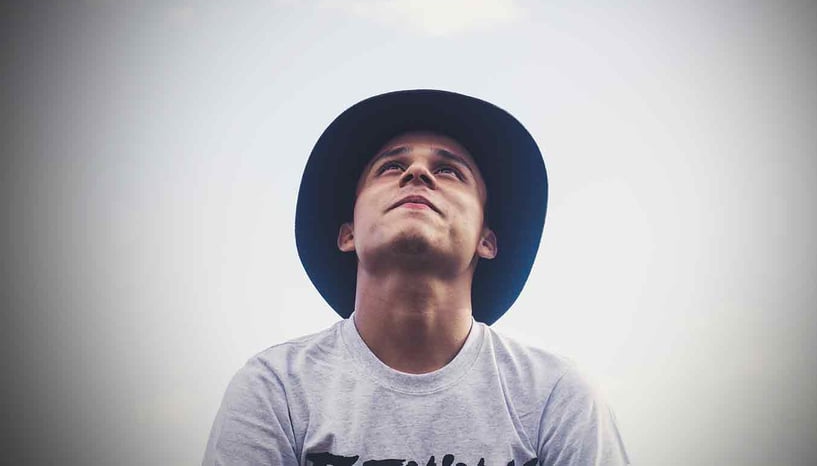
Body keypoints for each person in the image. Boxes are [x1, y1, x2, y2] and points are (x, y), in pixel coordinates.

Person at [203, 90, 630, 465]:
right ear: (348, 233)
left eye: (449, 171)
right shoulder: (277, 389)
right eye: (391, 167)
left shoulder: (556, 396)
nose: (417, 173)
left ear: (486, 240)